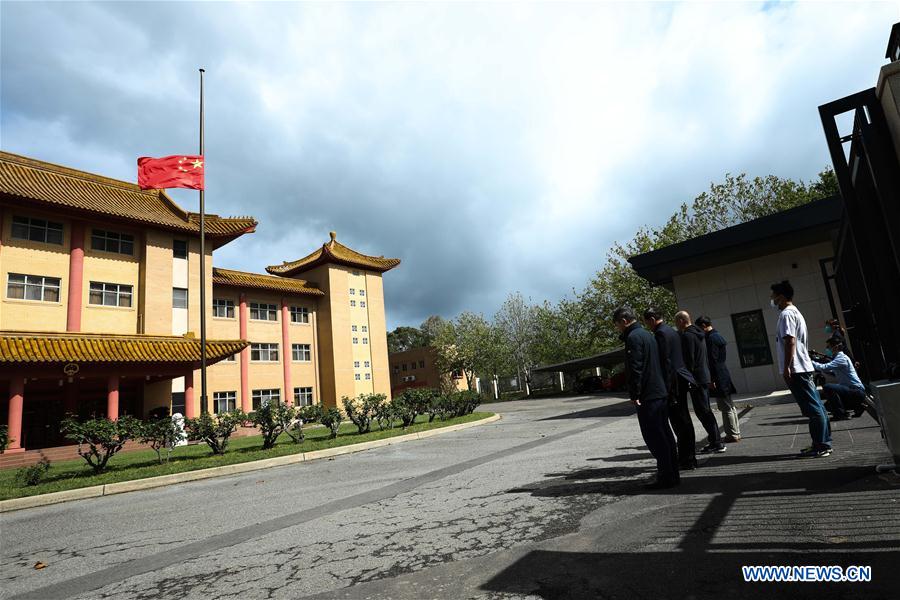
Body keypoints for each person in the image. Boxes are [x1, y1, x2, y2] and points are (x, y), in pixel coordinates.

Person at [614, 306, 679, 489]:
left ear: (624, 321)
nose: (618, 328)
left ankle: (666, 476)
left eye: (617, 324)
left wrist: (635, 393)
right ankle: (671, 473)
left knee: (654, 436)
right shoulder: (647, 335)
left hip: (648, 394)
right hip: (659, 391)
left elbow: (636, 368)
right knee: (665, 434)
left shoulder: (634, 338)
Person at [771, 280, 833, 457]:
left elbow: (789, 340)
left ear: (781, 297)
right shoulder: (796, 312)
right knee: (817, 406)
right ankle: (823, 442)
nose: (772, 300)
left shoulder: (786, 315)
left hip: (797, 368)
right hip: (802, 366)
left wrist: (787, 367)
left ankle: (821, 445)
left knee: (812, 408)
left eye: (773, 296)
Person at [642, 308, 696, 470]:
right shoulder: (672, 331)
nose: (647, 326)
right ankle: (689, 457)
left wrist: (666, 389)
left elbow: (666, 363)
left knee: (679, 422)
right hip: (681, 378)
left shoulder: (660, 334)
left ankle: (686, 459)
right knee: (684, 420)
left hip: (673, 382)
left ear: (651, 319)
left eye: (646, 322)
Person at [675, 311, 725, 453]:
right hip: (703, 376)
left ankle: (716, 442)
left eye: (676, 322)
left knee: (703, 411)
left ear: (681, 320)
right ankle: (715, 440)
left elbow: (689, 360)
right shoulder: (699, 334)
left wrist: (687, 378)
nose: (676, 326)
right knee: (705, 410)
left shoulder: (687, 336)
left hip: (695, 378)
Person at [695, 315, 741, 442]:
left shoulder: (711, 339)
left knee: (725, 407)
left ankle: (732, 434)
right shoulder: (717, 335)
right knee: (730, 406)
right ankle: (735, 432)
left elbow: (712, 361)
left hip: (718, 376)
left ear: (704, 326)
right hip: (723, 373)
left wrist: (712, 379)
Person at [812, 335, 867, 420]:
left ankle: (841, 414)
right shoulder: (838, 358)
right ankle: (858, 406)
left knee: (828, 387)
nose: (827, 349)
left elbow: (824, 367)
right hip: (851, 390)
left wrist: (810, 361)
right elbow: (831, 371)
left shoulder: (841, 358)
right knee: (828, 406)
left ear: (836, 347)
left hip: (856, 390)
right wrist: (816, 359)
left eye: (828, 346)